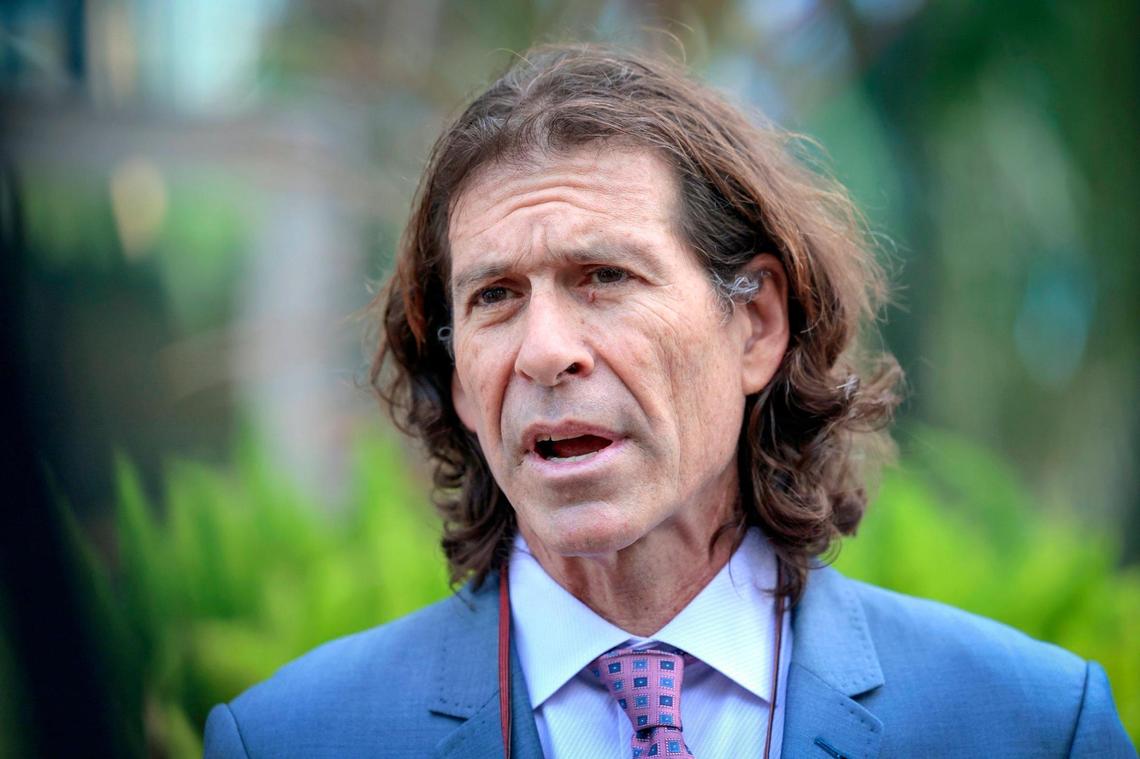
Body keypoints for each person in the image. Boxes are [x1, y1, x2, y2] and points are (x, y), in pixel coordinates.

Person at [204, 44, 1135, 758]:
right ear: (455, 373)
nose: (545, 351)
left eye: (604, 276)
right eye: (494, 298)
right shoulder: (293, 737)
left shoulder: (1029, 724)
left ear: (758, 325)